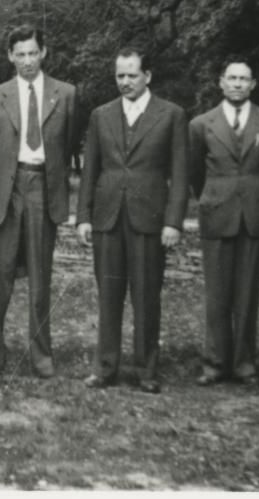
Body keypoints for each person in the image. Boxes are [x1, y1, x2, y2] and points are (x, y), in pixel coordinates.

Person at [76, 48, 188, 393]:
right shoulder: (101, 115)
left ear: (147, 76)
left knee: (146, 297)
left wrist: (173, 221)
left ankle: (146, 370)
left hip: (149, 218)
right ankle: (105, 368)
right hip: (108, 217)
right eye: (120, 76)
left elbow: (180, 173)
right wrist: (83, 216)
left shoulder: (171, 115)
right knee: (108, 295)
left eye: (132, 75)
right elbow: (90, 169)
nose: (125, 82)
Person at [0, 26, 79, 380]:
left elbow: (67, 145)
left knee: (40, 277)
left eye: (32, 53)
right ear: (10, 56)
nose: (27, 61)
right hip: (6, 189)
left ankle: (41, 357)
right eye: (19, 54)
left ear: (44, 53)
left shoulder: (66, 94)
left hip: (43, 187)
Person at [187, 59, 259, 387]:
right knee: (216, 293)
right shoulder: (201, 124)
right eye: (232, 78)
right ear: (221, 82)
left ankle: (244, 364)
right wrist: (214, 195)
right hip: (216, 212)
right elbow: (195, 172)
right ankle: (214, 363)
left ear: (253, 84)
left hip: (253, 215)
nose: (238, 84)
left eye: (244, 79)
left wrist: (256, 196)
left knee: (247, 294)